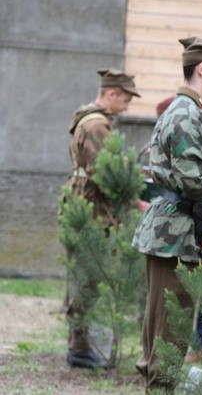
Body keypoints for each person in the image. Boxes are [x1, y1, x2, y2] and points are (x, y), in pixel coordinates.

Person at [132, 36, 202, 391]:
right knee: (170, 332)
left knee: (163, 326)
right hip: (173, 235)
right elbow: (194, 181)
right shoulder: (186, 113)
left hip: (174, 232)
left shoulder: (186, 111)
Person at [64, 68, 141, 369]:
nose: (127, 106)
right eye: (125, 99)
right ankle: (80, 348)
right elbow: (105, 172)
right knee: (88, 275)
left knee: (85, 274)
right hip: (91, 210)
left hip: (87, 205)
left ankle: (79, 344)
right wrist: (136, 201)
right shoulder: (97, 125)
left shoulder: (94, 120)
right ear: (111, 94)